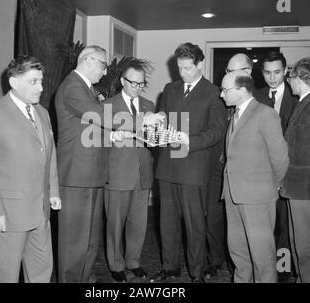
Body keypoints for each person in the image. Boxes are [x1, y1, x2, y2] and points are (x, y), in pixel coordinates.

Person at [55, 45, 163, 283]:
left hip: (91, 173)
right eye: (103, 66)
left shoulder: (86, 88)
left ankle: (86, 278)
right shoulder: (73, 86)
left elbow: (87, 126)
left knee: (89, 239)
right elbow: (97, 116)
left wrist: (112, 136)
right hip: (76, 174)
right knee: (75, 241)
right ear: (89, 61)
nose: (105, 73)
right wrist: (143, 120)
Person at [0, 55, 61, 283]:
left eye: (41, 81)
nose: (41, 87)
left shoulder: (42, 112)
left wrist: (54, 192)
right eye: (33, 82)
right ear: (14, 82)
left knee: (42, 270)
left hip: (40, 211)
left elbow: (49, 155)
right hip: (9, 215)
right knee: (6, 275)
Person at [150, 42, 226, 283]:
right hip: (168, 165)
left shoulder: (213, 92)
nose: (182, 73)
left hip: (194, 167)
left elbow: (217, 131)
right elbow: (163, 116)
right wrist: (157, 120)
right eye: (180, 68)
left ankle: (196, 271)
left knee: (195, 225)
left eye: (187, 68)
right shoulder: (169, 89)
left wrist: (189, 141)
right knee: (167, 223)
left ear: (200, 64)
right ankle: (169, 267)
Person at [220, 70, 289, 283]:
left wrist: (271, 186)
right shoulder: (235, 114)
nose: (221, 95)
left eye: (225, 90)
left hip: (258, 198)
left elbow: (280, 158)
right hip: (233, 195)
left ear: (242, 90)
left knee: (263, 258)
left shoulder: (265, 114)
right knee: (239, 253)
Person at [103, 58, 154, 282]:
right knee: (115, 223)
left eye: (142, 84)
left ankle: (134, 261)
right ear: (123, 81)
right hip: (117, 174)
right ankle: (115, 264)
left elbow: (151, 139)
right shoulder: (107, 106)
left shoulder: (149, 105)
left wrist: (159, 136)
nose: (138, 88)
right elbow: (101, 139)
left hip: (142, 173)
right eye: (133, 83)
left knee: (139, 223)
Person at [281, 57, 310, 283]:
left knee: (308, 247)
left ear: (300, 78)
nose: (289, 82)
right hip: (300, 188)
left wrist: (282, 176)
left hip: (305, 188)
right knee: (300, 244)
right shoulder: (307, 103)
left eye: (290, 77)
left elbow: (306, 155)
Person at [260, 51, 298, 281]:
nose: (272, 78)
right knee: (265, 225)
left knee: (285, 224)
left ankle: (283, 270)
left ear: (285, 71)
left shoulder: (296, 98)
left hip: (287, 172)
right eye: (267, 72)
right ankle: (265, 268)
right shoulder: (256, 96)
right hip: (262, 173)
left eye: (277, 72)